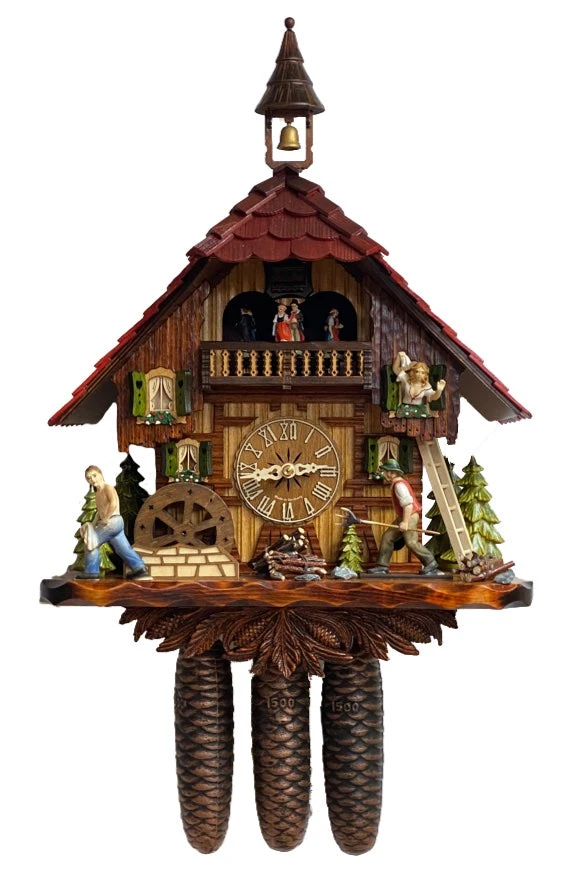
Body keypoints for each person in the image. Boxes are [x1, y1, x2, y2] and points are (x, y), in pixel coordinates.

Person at [367, 458, 439, 576]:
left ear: (391, 473)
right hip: (404, 516)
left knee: (411, 542)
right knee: (388, 537)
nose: (383, 474)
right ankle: (382, 566)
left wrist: (405, 522)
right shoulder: (396, 483)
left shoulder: (399, 485)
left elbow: (408, 505)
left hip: (409, 516)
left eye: (385, 471)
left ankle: (431, 563)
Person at [78, 466, 151, 579]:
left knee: (92, 541)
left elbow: (113, 503)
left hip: (112, 522)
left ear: (101, 474)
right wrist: (93, 523)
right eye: (88, 478)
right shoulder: (98, 493)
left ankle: (91, 573)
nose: (92, 479)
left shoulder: (108, 488)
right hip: (114, 525)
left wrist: (106, 518)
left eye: (94, 475)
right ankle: (139, 568)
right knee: (122, 548)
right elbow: (99, 512)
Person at [393, 351, 445, 417]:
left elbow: (432, 397)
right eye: (417, 371)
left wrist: (439, 391)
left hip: (419, 409)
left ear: (425, 375)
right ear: (413, 372)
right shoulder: (406, 378)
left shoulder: (426, 386)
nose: (419, 374)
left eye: (422, 373)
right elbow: (395, 370)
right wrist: (399, 356)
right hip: (405, 408)